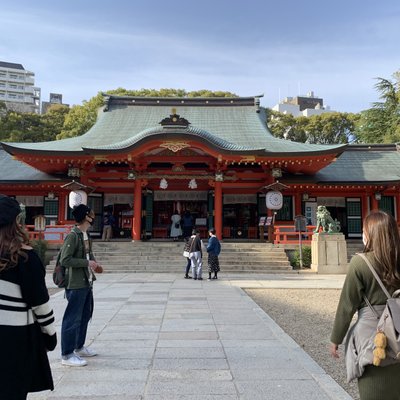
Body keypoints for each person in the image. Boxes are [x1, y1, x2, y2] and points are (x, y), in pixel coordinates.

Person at [330, 210, 400, 400]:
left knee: (374, 390)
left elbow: (347, 304)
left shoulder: (360, 263)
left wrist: (336, 338)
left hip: (372, 335)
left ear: (370, 234)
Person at [0, 194, 57, 399]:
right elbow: (40, 303)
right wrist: (49, 333)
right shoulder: (25, 257)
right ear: (16, 222)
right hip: (14, 337)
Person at [60, 204, 103, 367]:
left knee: (85, 315)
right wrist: (87, 262)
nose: (93, 215)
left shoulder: (85, 235)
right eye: (91, 213)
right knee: (72, 318)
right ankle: (67, 354)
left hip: (86, 280)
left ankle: (78, 346)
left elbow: (88, 254)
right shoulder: (73, 236)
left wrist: (95, 264)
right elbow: (65, 259)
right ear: (86, 216)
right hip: (75, 282)